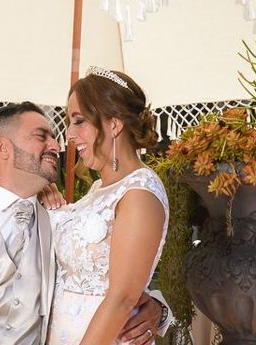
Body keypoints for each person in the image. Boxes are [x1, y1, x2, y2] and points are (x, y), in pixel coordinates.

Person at [0, 101, 168, 345]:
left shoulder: (58, 221)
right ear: (2, 147)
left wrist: (156, 308)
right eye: (42, 136)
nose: (58, 145)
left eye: (54, 137)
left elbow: (99, 274)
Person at [46, 67, 169, 345]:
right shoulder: (98, 190)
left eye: (79, 121)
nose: (70, 134)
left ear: (114, 124)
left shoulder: (139, 193)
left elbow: (123, 298)